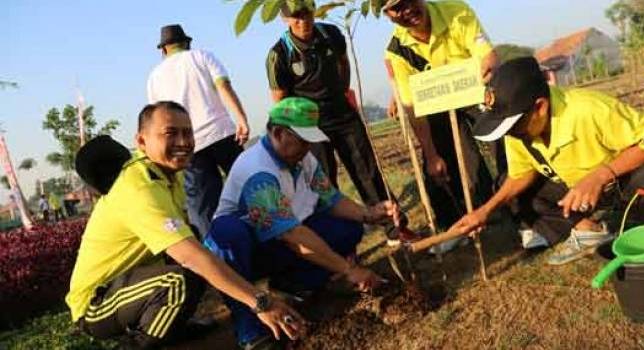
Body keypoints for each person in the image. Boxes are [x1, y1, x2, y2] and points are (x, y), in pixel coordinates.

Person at [65, 102, 304, 349]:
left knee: (199, 258)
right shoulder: (137, 187)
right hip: (96, 304)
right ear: (142, 141)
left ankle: (173, 329)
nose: (183, 141)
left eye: (188, 132)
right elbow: (189, 256)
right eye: (171, 133)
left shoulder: (169, 172)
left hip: (133, 285)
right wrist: (260, 302)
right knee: (178, 280)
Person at [450, 56, 644, 265]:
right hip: (581, 190)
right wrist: (485, 210)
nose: (510, 133)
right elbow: (519, 175)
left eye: (513, 126)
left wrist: (601, 175)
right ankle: (589, 232)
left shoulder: (588, 109)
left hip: (626, 179)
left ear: (540, 107)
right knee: (512, 193)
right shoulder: (519, 130)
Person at [204, 97, 397, 349]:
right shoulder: (259, 172)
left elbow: (331, 200)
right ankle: (249, 329)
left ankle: (296, 286)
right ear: (279, 133)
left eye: (309, 141)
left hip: (279, 239)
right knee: (228, 233)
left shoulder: (303, 159)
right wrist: (348, 269)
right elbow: (293, 237)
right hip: (248, 250)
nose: (307, 147)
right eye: (302, 140)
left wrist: (368, 213)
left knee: (347, 227)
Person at [265, 1, 416, 246]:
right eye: (296, 17)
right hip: (310, 127)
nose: (303, 22)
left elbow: (343, 64)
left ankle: (395, 227)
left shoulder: (331, 34)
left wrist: (342, 92)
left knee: (367, 170)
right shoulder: (279, 55)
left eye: (307, 14)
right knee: (324, 184)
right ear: (285, 20)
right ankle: (343, 246)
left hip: (343, 115)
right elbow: (281, 103)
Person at [382, 0, 506, 253]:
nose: (406, 11)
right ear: (387, 14)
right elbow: (412, 107)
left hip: (476, 88)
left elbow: (486, 53)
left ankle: (525, 215)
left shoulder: (456, 12)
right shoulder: (396, 50)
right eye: (396, 8)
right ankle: (455, 224)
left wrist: (489, 67)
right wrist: (430, 154)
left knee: (503, 142)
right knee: (443, 161)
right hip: (436, 103)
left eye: (408, 2)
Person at [147, 24, 251, 238]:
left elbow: (158, 120)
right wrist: (241, 118)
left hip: (188, 145)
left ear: (163, 50)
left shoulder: (154, 77)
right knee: (251, 189)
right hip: (221, 133)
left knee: (203, 206)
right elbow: (223, 86)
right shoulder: (202, 56)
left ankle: (216, 254)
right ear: (186, 43)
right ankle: (271, 236)